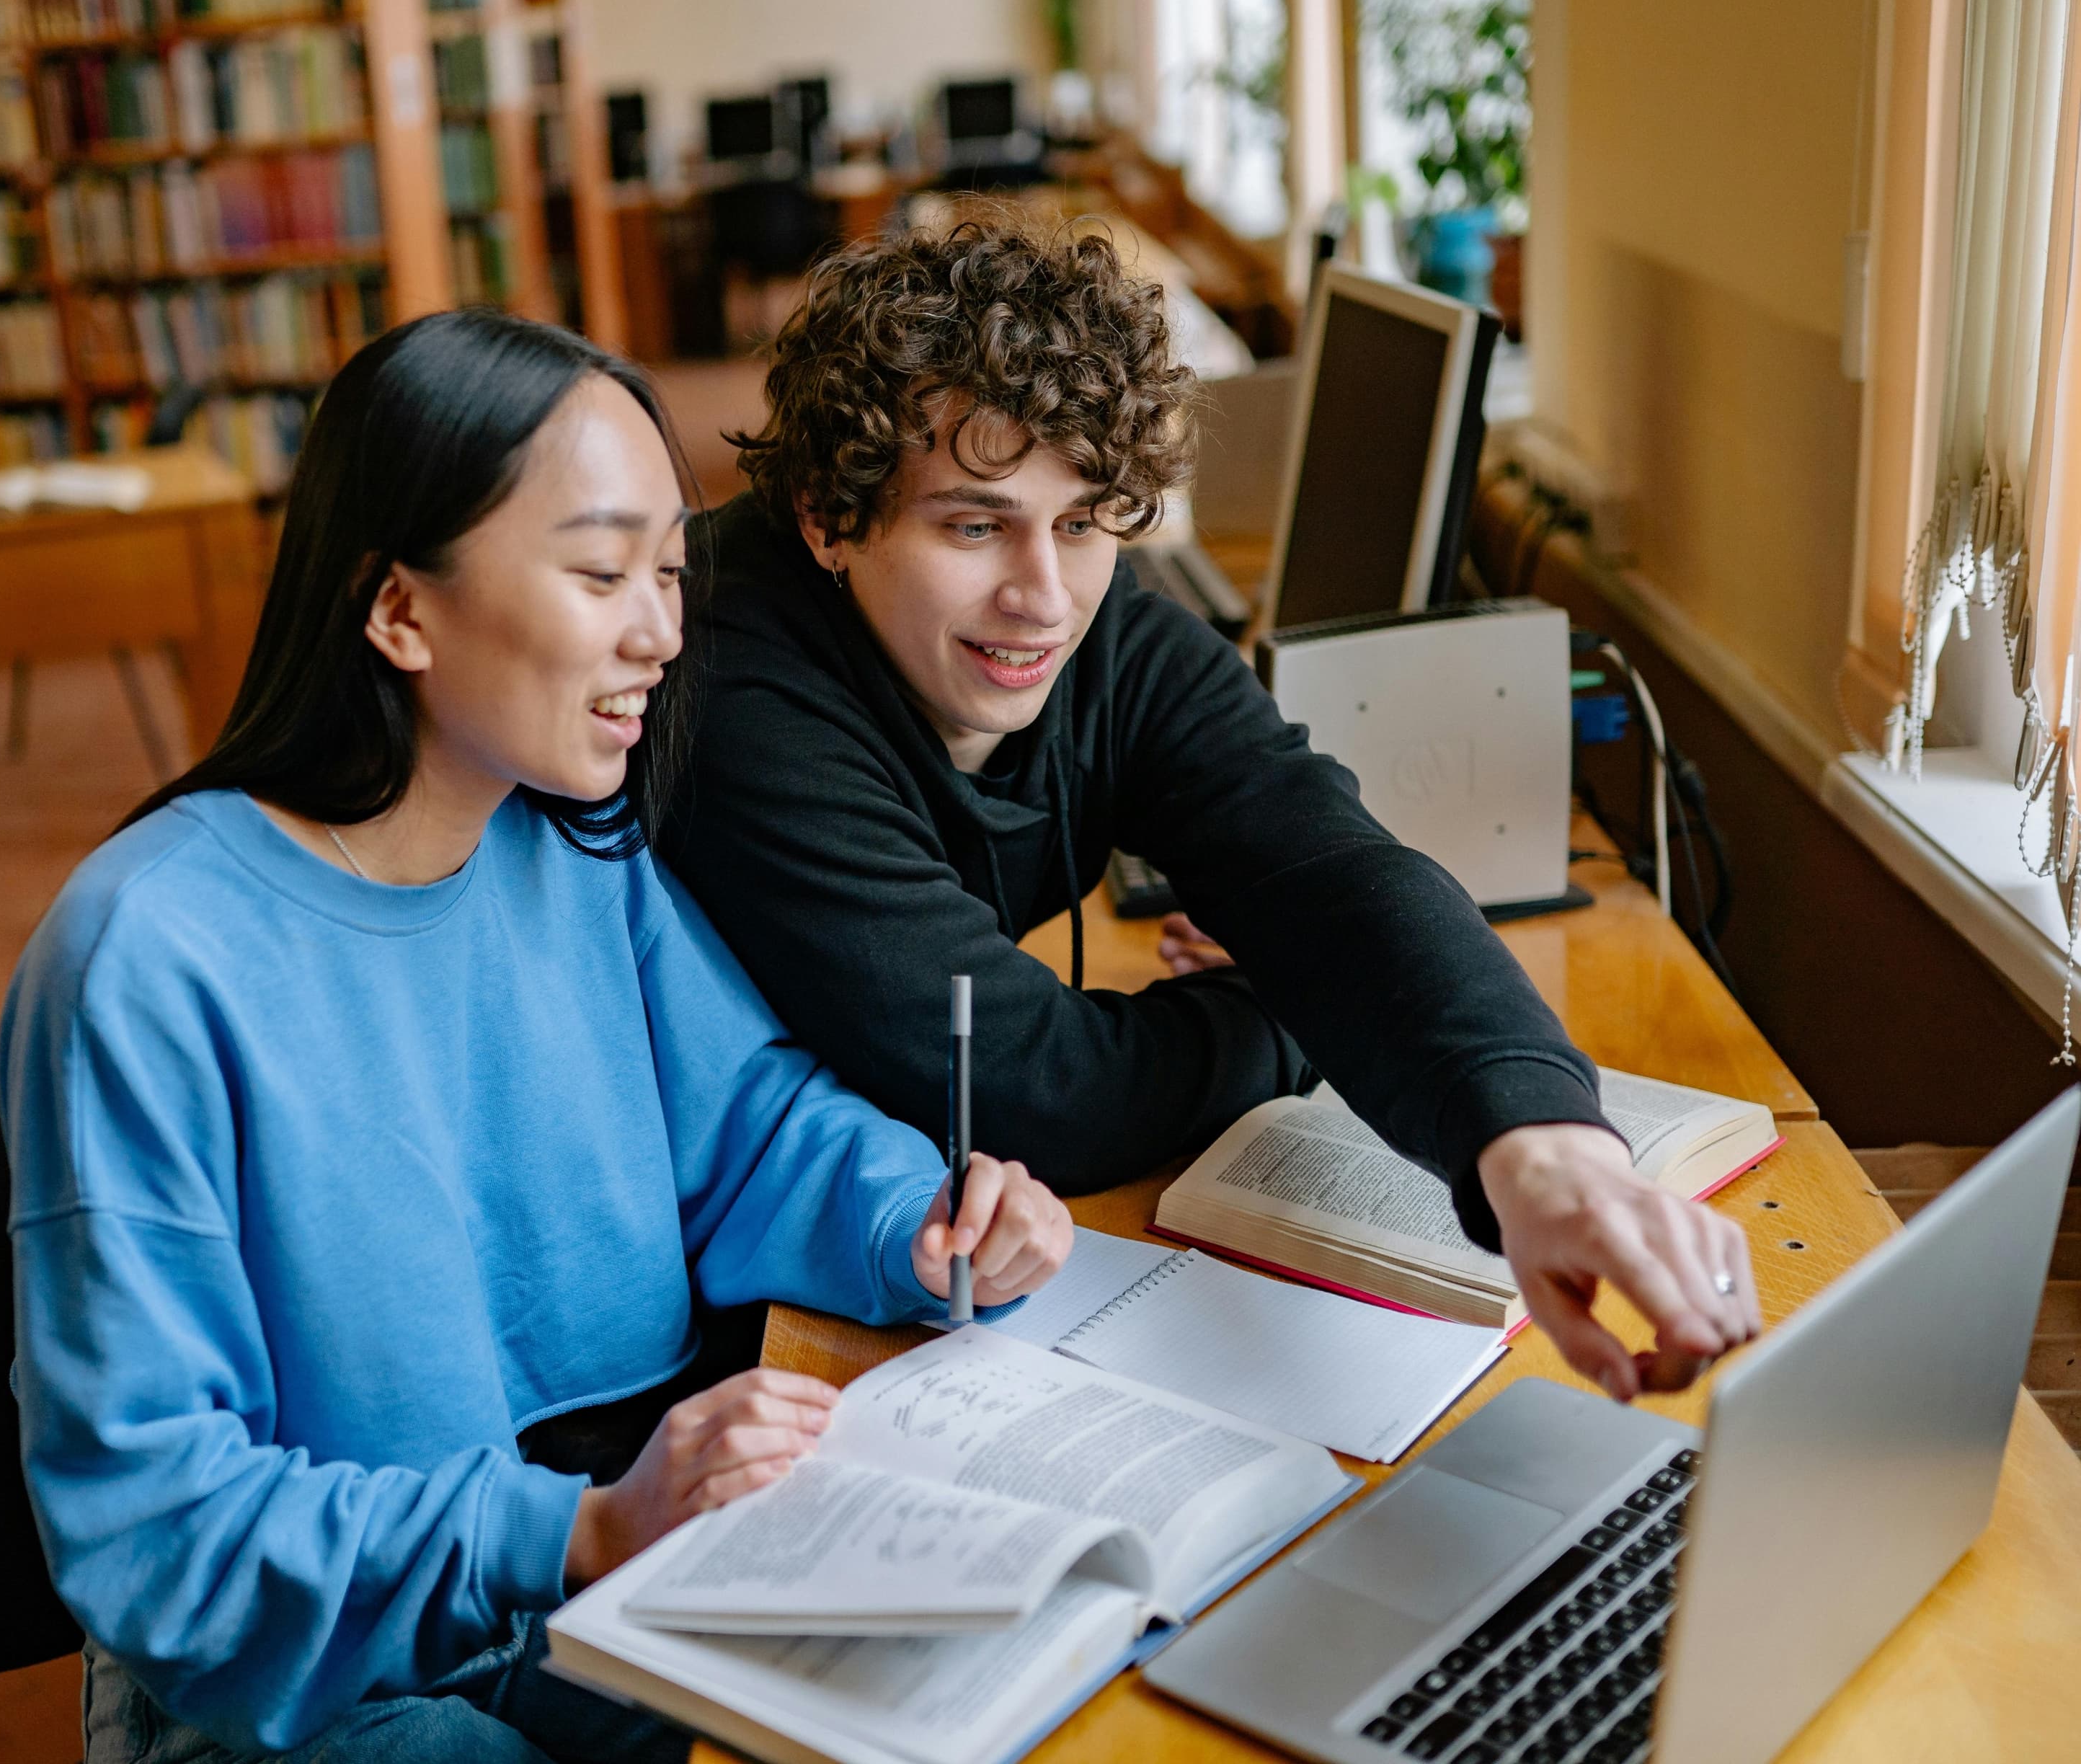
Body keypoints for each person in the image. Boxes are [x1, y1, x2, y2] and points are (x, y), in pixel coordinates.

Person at [0, 309, 1074, 1764]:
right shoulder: (148, 953)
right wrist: (577, 1526)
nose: (663, 630)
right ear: (399, 610)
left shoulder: (578, 842)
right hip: (305, 1682)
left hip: (573, 1572)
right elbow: (163, 1522)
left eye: (673, 571)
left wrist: (917, 1217)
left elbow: (749, 1124)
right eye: (599, 571)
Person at [657, 207, 1761, 1404]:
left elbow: (1324, 866)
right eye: (976, 526)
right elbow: (1032, 1090)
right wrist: (1278, 1002)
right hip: (715, 1329)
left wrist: (1544, 1149)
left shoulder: (1096, 622)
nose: (1044, 599)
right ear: (830, 516)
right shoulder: (727, 676)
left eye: (1083, 523)